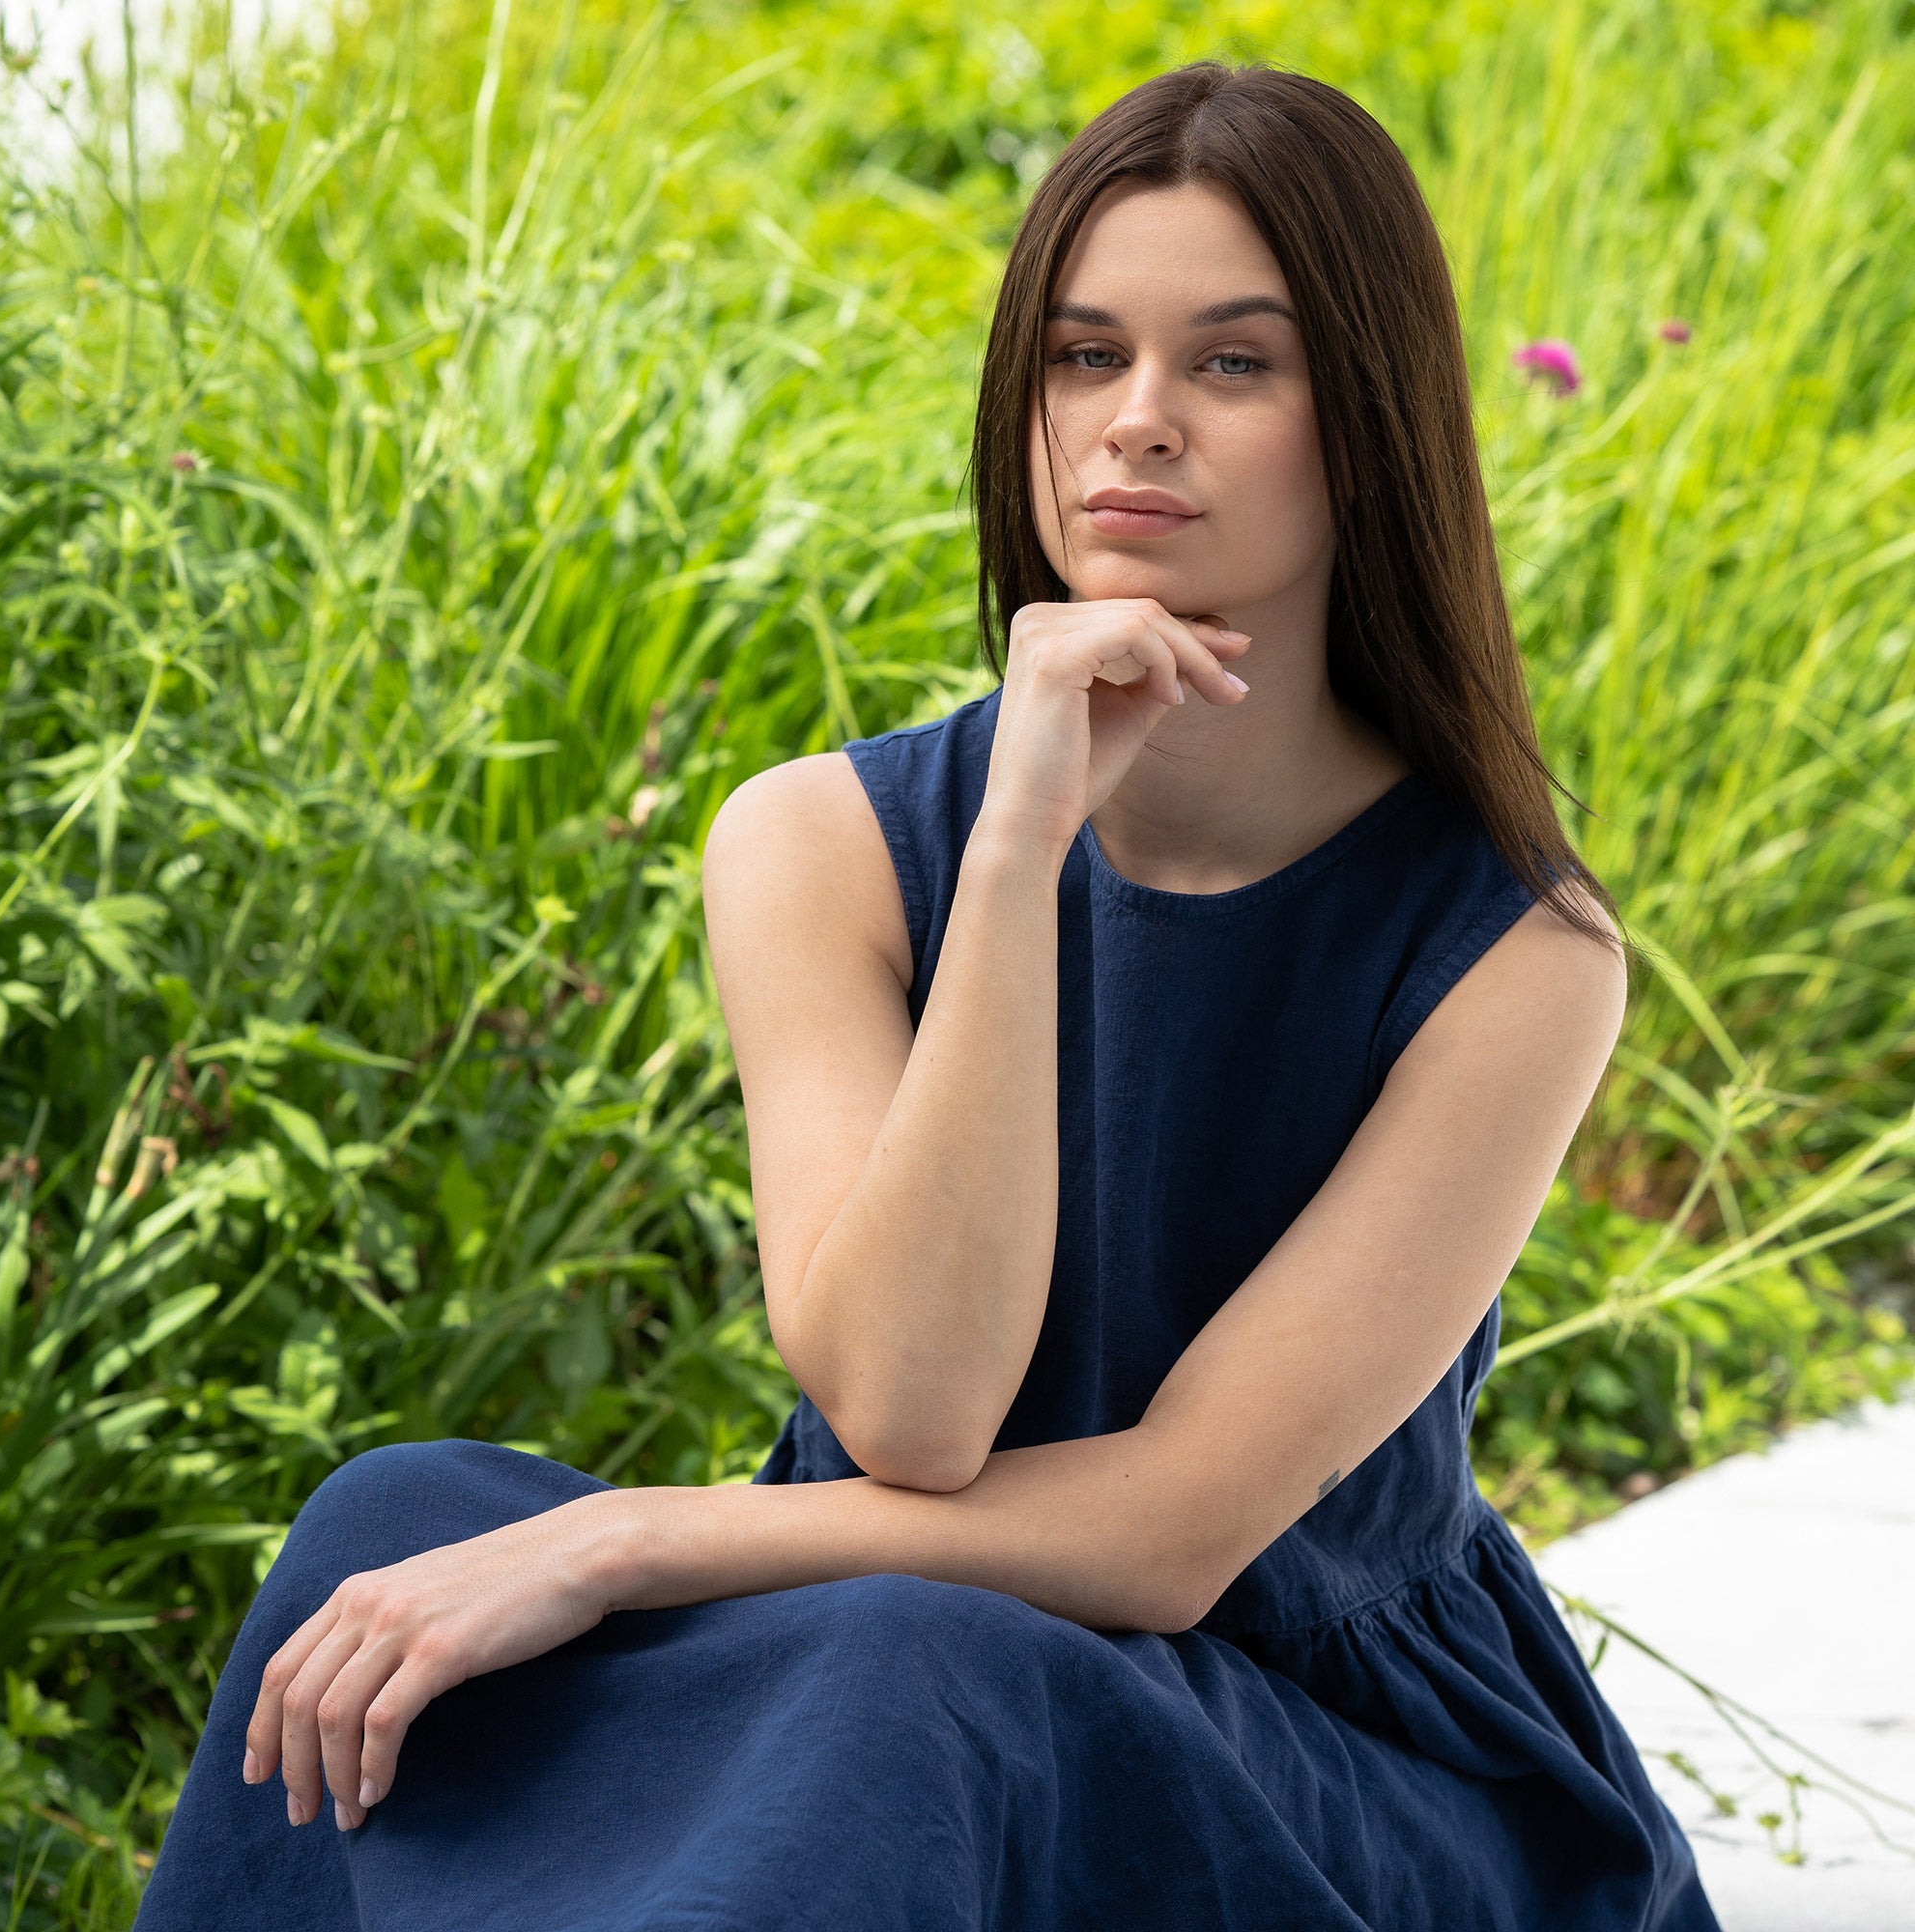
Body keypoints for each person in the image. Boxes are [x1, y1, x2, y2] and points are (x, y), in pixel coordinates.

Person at [134, 60, 1722, 1932]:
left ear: (1361, 421)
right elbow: (908, 1403)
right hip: (884, 1616)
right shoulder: (814, 843)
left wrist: (619, 1537)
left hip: (1318, 1738)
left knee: (912, 1663)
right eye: (1077, 357)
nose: (1133, 424)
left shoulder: (1513, 953)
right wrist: (1019, 841)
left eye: (1230, 363)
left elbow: (1168, 1532)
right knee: (394, 1524)